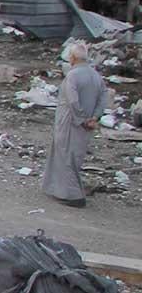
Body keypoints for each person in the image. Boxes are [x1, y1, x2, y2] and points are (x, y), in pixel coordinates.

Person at [43, 40, 107, 207]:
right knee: (74, 157)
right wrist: (95, 117)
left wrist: (82, 119)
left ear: (72, 57)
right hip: (86, 124)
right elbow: (103, 99)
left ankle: (72, 195)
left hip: (71, 122)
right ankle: (60, 190)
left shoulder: (73, 75)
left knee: (65, 156)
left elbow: (72, 101)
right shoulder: (96, 76)